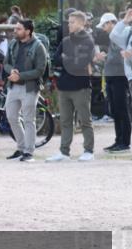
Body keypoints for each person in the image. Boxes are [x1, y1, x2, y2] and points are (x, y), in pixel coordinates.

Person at [47, 11, 96, 162]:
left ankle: (89, 150)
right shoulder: (66, 40)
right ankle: (64, 152)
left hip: (80, 86)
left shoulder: (88, 40)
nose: (69, 25)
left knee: (85, 120)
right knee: (65, 121)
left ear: (82, 23)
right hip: (64, 86)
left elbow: (80, 63)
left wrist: (66, 58)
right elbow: (55, 59)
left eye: (72, 22)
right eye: (68, 22)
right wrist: (69, 59)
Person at [3, 18, 47, 162]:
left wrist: (20, 76)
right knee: (11, 117)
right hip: (13, 86)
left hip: (30, 88)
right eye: (16, 28)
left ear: (28, 31)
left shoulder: (38, 46)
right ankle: (21, 147)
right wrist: (12, 71)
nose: (15, 31)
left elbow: (40, 70)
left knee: (29, 119)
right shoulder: (13, 44)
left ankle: (29, 152)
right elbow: (6, 63)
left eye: (19, 29)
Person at [98, 12, 131, 152]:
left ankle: (124, 142)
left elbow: (120, 57)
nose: (103, 28)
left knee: (121, 109)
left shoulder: (122, 34)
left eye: (104, 25)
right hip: (112, 77)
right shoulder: (113, 37)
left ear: (111, 23)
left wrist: (105, 59)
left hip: (119, 77)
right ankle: (118, 140)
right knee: (115, 111)